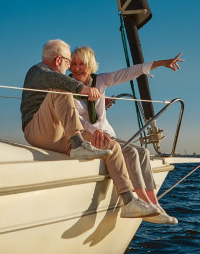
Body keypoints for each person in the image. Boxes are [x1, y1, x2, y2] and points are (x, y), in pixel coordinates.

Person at [21, 39, 159, 218]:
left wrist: (157, 64)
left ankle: (129, 201)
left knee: (111, 146)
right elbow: (57, 82)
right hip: (36, 130)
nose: (71, 67)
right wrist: (84, 89)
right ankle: (79, 146)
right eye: (70, 62)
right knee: (61, 89)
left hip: (61, 133)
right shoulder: (38, 71)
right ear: (58, 60)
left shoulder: (98, 80)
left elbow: (124, 74)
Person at [70, 46, 183, 224]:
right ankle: (142, 203)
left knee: (143, 152)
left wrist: (161, 63)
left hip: (105, 133)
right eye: (73, 64)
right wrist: (94, 130)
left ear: (90, 65)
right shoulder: (68, 86)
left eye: (81, 64)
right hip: (86, 135)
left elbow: (130, 72)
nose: (77, 68)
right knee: (130, 152)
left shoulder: (100, 80)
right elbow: (74, 118)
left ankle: (154, 205)